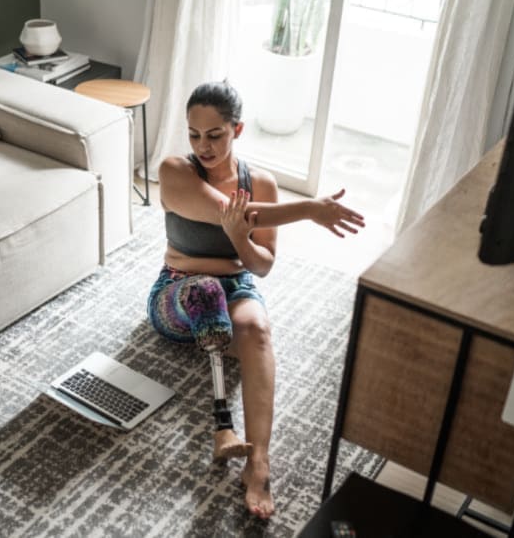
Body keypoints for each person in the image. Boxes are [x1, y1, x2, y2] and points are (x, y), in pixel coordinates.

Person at [147, 80, 365, 519]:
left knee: (258, 330)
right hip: (178, 289)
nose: (202, 145)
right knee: (205, 291)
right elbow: (236, 214)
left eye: (215, 134)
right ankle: (220, 426)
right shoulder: (175, 171)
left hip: (235, 286)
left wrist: (238, 241)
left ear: (237, 130)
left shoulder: (261, 183)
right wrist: (309, 210)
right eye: (194, 134)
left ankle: (259, 462)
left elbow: (262, 265)